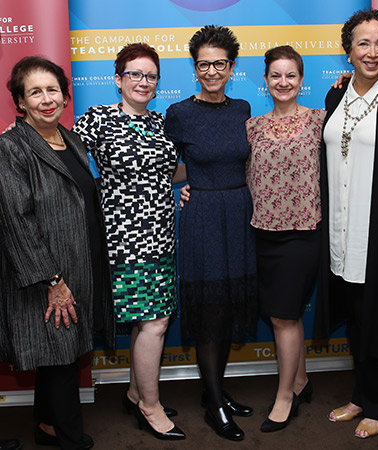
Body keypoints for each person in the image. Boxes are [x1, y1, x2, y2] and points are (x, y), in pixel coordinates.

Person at [313, 9, 378, 439]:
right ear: (348, 51)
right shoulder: (335, 95)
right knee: (356, 314)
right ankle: (361, 394)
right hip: (339, 226)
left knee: (377, 315)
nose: (372, 52)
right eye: (363, 43)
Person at [72, 43, 186, 441]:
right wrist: (21, 136)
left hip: (161, 237)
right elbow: (59, 154)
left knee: (151, 321)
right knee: (154, 322)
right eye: (134, 74)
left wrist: (195, 184)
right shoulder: (98, 120)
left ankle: (137, 392)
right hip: (123, 241)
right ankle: (150, 407)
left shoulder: (160, 124)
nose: (142, 81)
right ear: (118, 79)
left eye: (150, 75)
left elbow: (170, 172)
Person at [0, 56, 114, 449]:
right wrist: (53, 281)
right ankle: (69, 439)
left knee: (57, 353)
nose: (46, 99)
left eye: (53, 90)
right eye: (35, 92)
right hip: (46, 276)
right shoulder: (11, 148)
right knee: (63, 357)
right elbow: (17, 220)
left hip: (79, 264)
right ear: (20, 101)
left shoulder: (71, 139)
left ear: (65, 96)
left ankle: (46, 426)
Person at [165, 25, 257, 442]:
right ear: (195, 68)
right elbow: (166, 167)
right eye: (204, 64)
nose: (212, 71)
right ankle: (216, 403)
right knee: (211, 309)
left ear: (232, 66)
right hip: (201, 213)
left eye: (220, 63)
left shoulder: (243, 108)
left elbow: (244, 162)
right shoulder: (179, 113)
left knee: (231, 303)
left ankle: (213, 392)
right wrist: (189, 185)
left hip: (239, 212)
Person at [245, 46, 325, 432]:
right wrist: (194, 184)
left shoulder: (320, 121)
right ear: (265, 81)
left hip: (303, 234)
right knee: (287, 314)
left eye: (290, 75)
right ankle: (302, 380)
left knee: (283, 315)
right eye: (275, 75)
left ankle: (285, 396)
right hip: (262, 234)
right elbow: (230, 168)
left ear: (302, 79)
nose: (283, 82)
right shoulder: (252, 127)